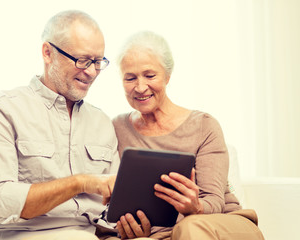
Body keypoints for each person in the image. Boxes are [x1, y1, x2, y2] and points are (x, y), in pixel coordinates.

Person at [0, 10, 120, 240]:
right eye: (82, 60)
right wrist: (79, 182)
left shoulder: (102, 123)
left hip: (90, 235)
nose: (91, 72)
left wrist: (130, 224)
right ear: (48, 53)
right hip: (21, 234)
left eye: (98, 62)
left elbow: (112, 208)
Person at [109, 31, 265, 239]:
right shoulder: (116, 128)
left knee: (190, 227)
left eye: (149, 75)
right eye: (130, 78)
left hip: (221, 224)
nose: (140, 87)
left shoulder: (203, 125)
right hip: (164, 234)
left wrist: (196, 206)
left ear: (167, 75)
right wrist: (134, 229)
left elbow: (214, 202)